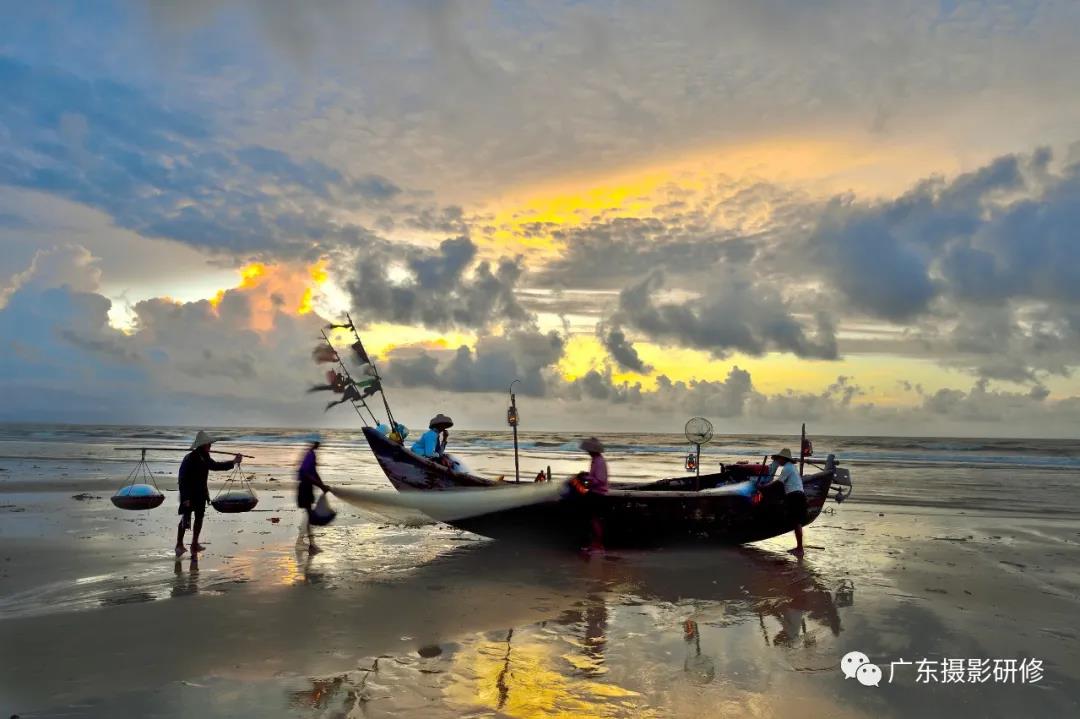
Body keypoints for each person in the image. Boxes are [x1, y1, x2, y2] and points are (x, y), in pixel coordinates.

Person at [176, 431, 241, 557]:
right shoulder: (190, 458)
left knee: (199, 518)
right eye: (208, 444)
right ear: (202, 445)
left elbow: (215, 466)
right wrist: (185, 498)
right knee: (185, 519)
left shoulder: (205, 457)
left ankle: (194, 544)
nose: (210, 446)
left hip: (201, 493)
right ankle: (179, 544)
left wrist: (233, 462)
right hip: (189, 494)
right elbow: (182, 479)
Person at [759, 448, 807, 555]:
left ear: (783, 458)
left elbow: (779, 483)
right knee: (795, 522)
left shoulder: (787, 468)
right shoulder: (791, 467)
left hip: (795, 496)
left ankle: (800, 549)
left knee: (796, 522)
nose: (778, 460)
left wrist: (763, 487)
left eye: (779, 458)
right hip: (797, 495)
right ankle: (799, 548)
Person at [296, 433, 331, 554]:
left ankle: (309, 543)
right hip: (305, 487)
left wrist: (322, 486)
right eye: (318, 443)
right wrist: (321, 485)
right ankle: (311, 544)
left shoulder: (311, 454)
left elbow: (314, 473)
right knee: (309, 513)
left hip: (308, 487)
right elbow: (306, 474)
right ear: (314, 443)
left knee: (308, 513)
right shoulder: (310, 455)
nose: (319, 445)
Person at [578, 437, 609, 552]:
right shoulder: (595, 460)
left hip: (598, 494)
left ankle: (598, 544)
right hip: (594, 492)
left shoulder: (599, 461)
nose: (588, 452)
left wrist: (587, 478)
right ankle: (594, 544)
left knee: (595, 519)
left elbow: (600, 480)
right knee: (592, 520)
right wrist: (587, 475)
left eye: (589, 450)